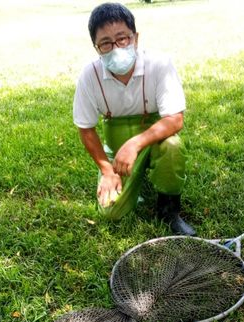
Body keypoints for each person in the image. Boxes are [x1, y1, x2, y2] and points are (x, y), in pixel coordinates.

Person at [73, 2, 196, 236]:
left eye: (123, 38)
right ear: (96, 48)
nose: (116, 48)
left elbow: (175, 120)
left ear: (135, 38)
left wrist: (135, 144)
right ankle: (126, 180)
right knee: (112, 212)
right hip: (117, 154)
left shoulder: (159, 64)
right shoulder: (89, 76)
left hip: (152, 144)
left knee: (172, 146)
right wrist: (106, 169)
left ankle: (168, 210)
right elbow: (86, 129)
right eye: (106, 43)